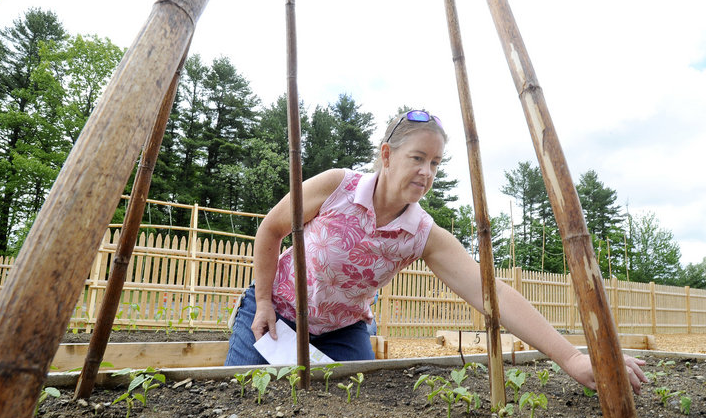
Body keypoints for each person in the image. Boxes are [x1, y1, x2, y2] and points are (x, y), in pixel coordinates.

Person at [224, 109, 647, 394]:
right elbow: (271, 229)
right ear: (387, 156)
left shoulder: (422, 234)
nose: (427, 172)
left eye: (436, 163)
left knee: (354, 412)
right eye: (418, 158)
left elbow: (491, 293)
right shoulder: (337, 187)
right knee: (243, 399)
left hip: (340, 331)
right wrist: (261, 301)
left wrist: (573, 360)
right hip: (274, 313)